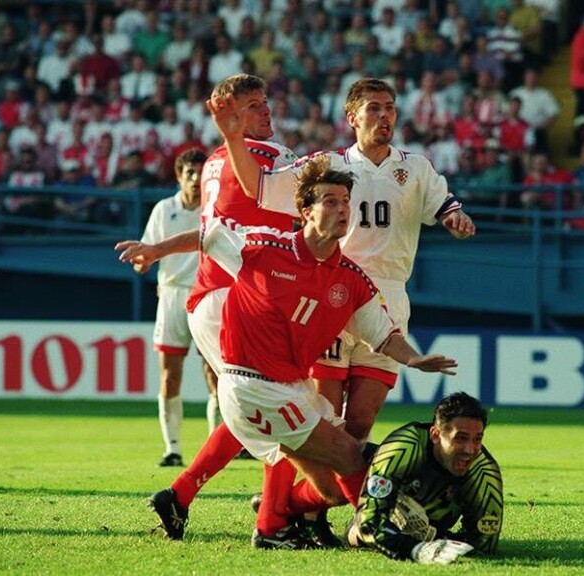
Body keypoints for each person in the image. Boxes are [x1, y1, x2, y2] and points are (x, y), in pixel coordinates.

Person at [117, 155, 459, 545]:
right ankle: (378, 529)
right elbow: (207, 234)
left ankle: (259, 517)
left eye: (346, 201)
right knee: (349, 452)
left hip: (293, 388)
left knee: (329, 490)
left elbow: (383, 336)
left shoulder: (351, 280)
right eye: (330, 201)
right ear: (305, 211)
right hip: (250, 384)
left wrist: (413, 358)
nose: (342, 209)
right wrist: (156, 250)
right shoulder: (264, 245)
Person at [210, 77, 476, 537]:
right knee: (321, 422)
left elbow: (444, 205)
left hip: (387, 300)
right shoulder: (327, 167)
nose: (384, 116)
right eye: (373, 108)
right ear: (352, 117)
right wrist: (234, 138)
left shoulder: (415, 168)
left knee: (359, 425)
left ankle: (297, 506)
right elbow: (259, 187)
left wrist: (454, 217)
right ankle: (305, 517)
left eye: (390, 108)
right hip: (330, 295)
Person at [115, 74, 308, 547]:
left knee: (253, 413)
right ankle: (273, 523)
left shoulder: (215, 165)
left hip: (210, 298)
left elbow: (213, 233)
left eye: (266, 102)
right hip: (240, 299)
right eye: (254, 105)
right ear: (230, 114)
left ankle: (180, 497)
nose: (267, 112)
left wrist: (158, 249)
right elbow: (276, 213)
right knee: (285, 408)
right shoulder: (267, 156)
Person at [132, 148, 219, 467]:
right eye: (189, 173)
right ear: (179, 176)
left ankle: (217, 444)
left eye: (200, 173)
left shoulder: (214, 207)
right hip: (170, 296)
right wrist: (142, 263)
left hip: (206, 294)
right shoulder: (163, 209)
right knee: (170, 375)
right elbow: (148, 251)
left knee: (217, 373)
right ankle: (173, 448)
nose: (196, 179)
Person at [346, 392, 502, 564]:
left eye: (477, 439)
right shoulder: (402, 448)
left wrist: (438, 539)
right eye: (461, 438)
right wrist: (414, 548)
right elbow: (369, 524)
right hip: (387, 507)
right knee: (357, 530)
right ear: (435, 434)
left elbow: (484, 543)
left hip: (437, 529)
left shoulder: (484, 473)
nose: (470, 450)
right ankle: (313, 518)